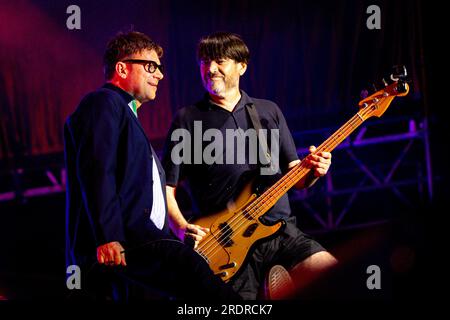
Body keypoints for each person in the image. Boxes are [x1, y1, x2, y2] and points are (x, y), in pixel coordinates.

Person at [64, 31, 240, 300]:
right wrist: (107, 236)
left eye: (160, 68)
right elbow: (97, 171)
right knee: (208, 287)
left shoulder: (126, 114)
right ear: (122, 68)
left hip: (139, 243)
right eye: (151, 66)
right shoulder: (103, 102)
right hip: (127, 242)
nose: (159, 75)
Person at [162, 31, 338, 300]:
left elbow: (296, 176)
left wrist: (314, 170)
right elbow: (167, 188)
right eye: (204, 62)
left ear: (242, 66)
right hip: (228, 244)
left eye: (219, 61)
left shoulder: (268, 111)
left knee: (334, 277)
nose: (210, 69)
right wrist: (182, 227)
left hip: (280, 231)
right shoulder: (187, 119)